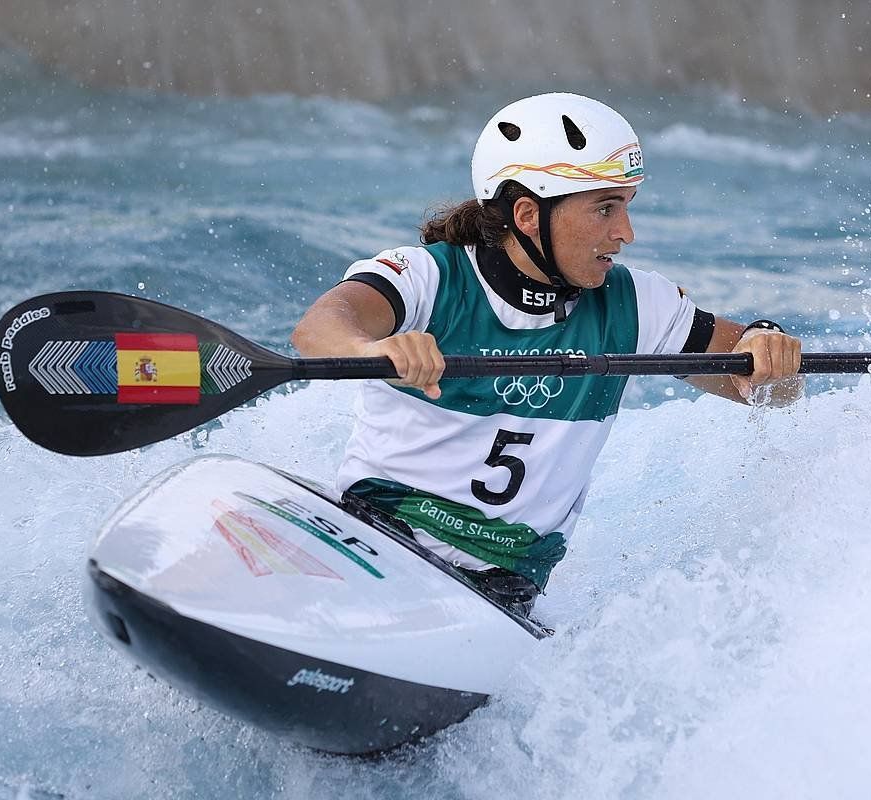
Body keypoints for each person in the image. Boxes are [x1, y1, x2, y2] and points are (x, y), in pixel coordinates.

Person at [292, 93, 802, 616]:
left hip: (498, 598)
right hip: (373, 541)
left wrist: (767, 347)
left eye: (626, 206)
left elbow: (765, 389)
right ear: (528, 214)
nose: (626, 232)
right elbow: (319, 328)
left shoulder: (637, 304)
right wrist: (374, 348)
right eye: (605, 208)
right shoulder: (428, 277)